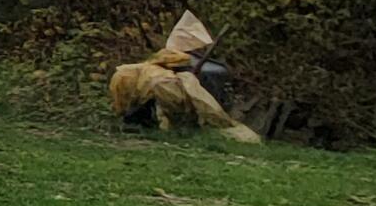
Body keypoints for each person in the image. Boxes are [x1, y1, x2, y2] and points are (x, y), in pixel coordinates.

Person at [108, 11, 262, 144]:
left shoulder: (158, 67)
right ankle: (164, 125)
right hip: (158, 100)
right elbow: (203, 101)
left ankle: (154, 125)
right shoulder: (162, 72)